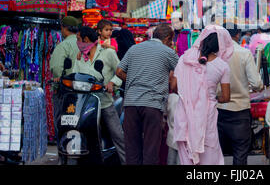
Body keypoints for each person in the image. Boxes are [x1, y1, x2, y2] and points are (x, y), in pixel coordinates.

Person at [116, 24, 179, 165]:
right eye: (171, 41)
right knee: (151, 150)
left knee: (132, 149)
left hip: (131, 104)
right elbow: (181, 72)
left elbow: (119, 71)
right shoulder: (168, 52)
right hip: (152, 104)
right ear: (168, 38)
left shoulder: (134, 49)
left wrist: (134, 81)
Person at [173, 25, 233, 165]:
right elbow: (226, 97)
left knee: (186, 156)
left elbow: (174, 86)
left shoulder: (184, 59)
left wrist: (189, 94)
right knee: (210, 155)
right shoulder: (222, 66)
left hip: (184, 115)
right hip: (207, 116)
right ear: (221, 45)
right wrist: (212, 97)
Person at [73, 26, 126, 164]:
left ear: (85, 39)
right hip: (84, 105)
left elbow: (120, 71)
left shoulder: (107, 53)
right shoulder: (79, 57)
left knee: (118, 136)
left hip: (104, 103)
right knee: (84, 136)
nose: (77, 42)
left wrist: (112, 83)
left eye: (78, 39)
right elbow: (74, 76)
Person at [218, 25, 263, 165]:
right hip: (240, 111)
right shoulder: (244, 53)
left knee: (216, 152)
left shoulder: (214, 54)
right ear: (237, 35)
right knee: (240, 153)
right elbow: (256, 83)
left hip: (218, 109)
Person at [49, 16, 81, 144]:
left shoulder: (63, 45)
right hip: (83, 89)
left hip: (65, 89)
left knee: (62, 120)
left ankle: (64, 148)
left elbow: (56, 67)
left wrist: (57, 77)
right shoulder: (83, 44)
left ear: (64, 29)